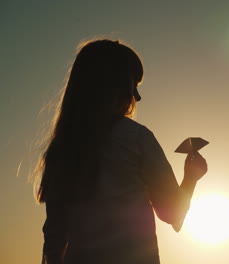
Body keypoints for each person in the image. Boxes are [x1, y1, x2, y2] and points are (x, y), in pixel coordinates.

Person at [36, 39, 207, 264]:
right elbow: (172, 214)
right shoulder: (136, 138)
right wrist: (191, 177)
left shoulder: (60, 150)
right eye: (133, 85)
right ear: (115, 85)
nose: (137, 97)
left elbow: (54, 240)